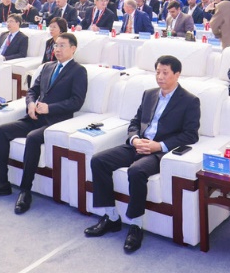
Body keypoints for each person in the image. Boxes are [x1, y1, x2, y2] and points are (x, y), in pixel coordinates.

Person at [85, 55, 201, 254]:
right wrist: (134, 139)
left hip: (159, 152)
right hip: (138, 145)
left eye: (165, 73)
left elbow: (191, 134)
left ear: (177, 74)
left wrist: (159, 146)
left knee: (136, 171)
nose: (160, 76)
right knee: (98, 160)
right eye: (157, 72)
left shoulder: (189, 101)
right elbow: (135, 122)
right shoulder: (149, 94)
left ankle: (136, 226)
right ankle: (111, 217)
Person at [0, 33, 88, 213]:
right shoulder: (47, 67)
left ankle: (25, 190)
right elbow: (32, 91)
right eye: (56, 45)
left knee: (33, 138)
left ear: (73, 48)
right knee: (0, 131)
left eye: (62, 45)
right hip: (34, 117)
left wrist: (49, 108)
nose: (57, 49)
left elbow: (77, 101)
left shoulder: (78, 71)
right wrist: (30, 104)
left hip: (56, 122)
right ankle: (0, 183)